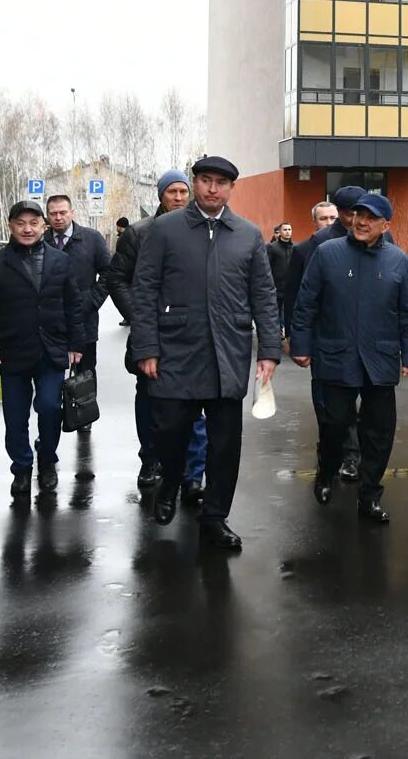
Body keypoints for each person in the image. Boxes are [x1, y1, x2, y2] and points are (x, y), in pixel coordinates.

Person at [130, 155, 282, 550]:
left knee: (225, 444)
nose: (213, 189)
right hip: (175, 352)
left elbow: (264, 295)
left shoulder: (247, 234)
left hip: (227, 354)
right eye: (206, 181)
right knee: (170, 434)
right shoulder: (165, 230)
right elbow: (144, 290)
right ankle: (170, 484)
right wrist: (146, 346)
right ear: (195, 183)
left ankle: (214, 517)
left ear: (232, 188)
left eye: (221, 183)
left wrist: (268, 350)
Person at [289, 193, 408, 524]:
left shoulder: (397, 260)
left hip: (380, 359)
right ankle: (326, 470)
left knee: (379, 432)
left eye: (370, 218)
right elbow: (306, 304)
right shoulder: (327, 253)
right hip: (335, 356)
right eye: (358, 215)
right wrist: (300, 345)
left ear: (385, 225)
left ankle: (370, 495)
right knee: (334, 425)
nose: (361, 222)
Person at [0, 201, 89, 503]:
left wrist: (77, 344)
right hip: (12, 352)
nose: (27, 228)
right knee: (15, 415)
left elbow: (73, 305)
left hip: (51, 350)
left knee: (50, 407)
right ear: (10, 226)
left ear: (43, 226)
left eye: (33, 223)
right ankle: (22, 467)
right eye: (20, 223)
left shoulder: (60, 262)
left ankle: (47, 459)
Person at [107, 169, 207, 505]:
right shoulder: (138, 233)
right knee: (149, 398)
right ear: (161, 196)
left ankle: (193, 474)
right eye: (172, 192)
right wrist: (139, 315)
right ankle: (150, 459)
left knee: (194, 404)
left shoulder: (202, 228)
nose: (178, 198)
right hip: (151, 331)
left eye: (183, 192)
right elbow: (117, 278)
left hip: (190, 333)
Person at [284, 191, 363, 482]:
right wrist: (294, 334)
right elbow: (296, 295)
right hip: (324, 337)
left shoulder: (378, 239)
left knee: (357, 399)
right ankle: (333, 449)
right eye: (327, 217)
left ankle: (349, 453)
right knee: (327, 401)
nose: (334, 220)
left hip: (361, 336)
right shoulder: (312, 247)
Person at [45, 193, 112, 384]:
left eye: (63, 212)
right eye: (53, 213)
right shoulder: (41, 241)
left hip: (84, 321)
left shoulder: (91, 239)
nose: (58, 218)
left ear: (72, 213)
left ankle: (84, 413)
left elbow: (109, 273)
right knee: (51, 377)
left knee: (85, 378)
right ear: (47, 216)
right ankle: (55, 412)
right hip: (50, 322)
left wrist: (92, 300)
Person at [266, 223, 295, 297]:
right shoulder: (271, 247)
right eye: (285, 230)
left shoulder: (296, 247)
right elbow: (267, 266)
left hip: (292, 287)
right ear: (280, 232)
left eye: (289, 229)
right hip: (277, 288)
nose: (287, 232)